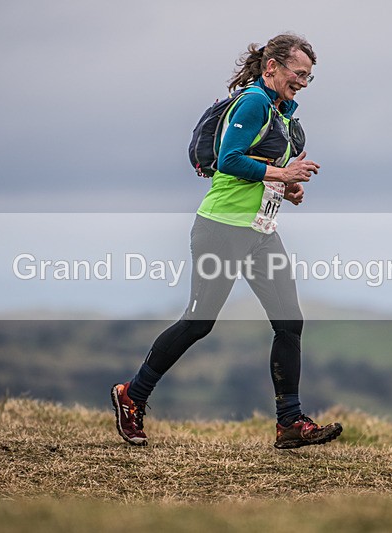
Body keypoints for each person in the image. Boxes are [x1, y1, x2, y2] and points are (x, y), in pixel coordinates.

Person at [111, 33, 342, 449]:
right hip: (221, 229)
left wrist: (286, 187)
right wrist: (281, 175)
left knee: (289, 322)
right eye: (298, 73)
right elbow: (229, 159)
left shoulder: (285, 113)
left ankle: (289, 422)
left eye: (309, 77)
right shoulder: (253, 101)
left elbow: (264, 167)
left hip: (260, 233)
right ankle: (132, 394)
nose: (303, 83)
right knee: (199, 322)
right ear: (272, 67)